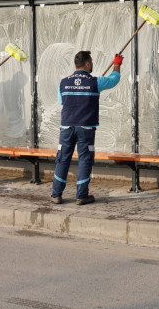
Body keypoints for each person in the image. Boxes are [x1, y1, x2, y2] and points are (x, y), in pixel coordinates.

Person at [51, 50, 122, 205]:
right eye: (92, 63)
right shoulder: (96, 82)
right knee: (85, 160)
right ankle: (81, 196)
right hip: (86, 128)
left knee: (63, 159)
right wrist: (116, 64)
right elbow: (114, 79)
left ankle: (56, 194)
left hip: (66, 127)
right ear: (88, 64)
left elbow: (62, 102)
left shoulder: (63, 82)